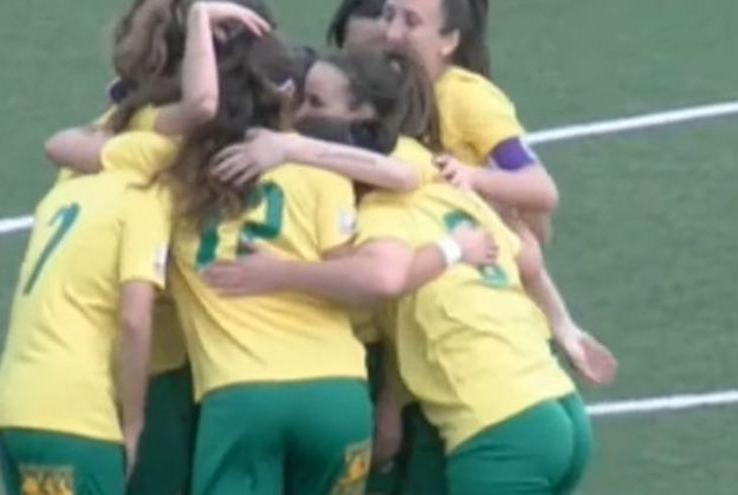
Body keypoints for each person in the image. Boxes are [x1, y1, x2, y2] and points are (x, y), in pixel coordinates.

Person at [201, 79, 593, 494]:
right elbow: (525, 258)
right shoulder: (436, 177)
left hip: (500, 424)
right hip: (557, 405)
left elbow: (383, 280)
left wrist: (280, 272)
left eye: (313, 101)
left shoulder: (381, 216)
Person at [38, 3, 272, 495]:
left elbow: (59, 144)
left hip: (92, 366)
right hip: (163, 369)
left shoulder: (113, 128)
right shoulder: (176, 136)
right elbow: (203, 104)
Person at [155, 28, 376, 495]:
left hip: (242, 397)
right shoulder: (323, 173)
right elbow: (360, 283)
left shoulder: (175, 181)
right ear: (289, 99)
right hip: (335, 394)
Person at [378, 0, 616, 386]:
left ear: (449, 40)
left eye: (411, 22)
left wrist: (473, 177)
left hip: (478, 290)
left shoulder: (469, 98)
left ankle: (563, 329)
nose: (390, 33)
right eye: (387, 16)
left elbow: (539, 188)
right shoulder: (388, 91)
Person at [0, 130, 176, 495]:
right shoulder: (142, 200)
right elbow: (134, 320)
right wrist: (135, 424)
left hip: (13, 407)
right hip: (74, 420)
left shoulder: (62, 195)